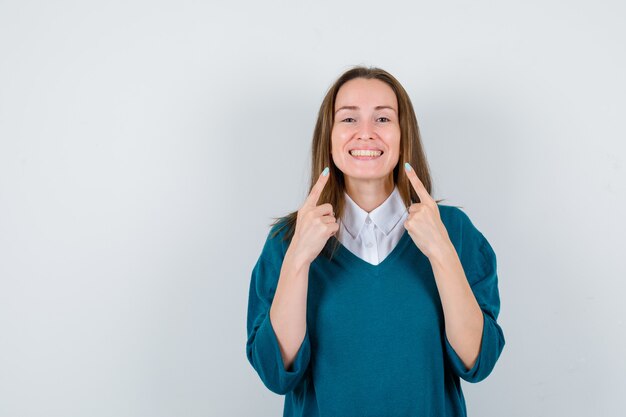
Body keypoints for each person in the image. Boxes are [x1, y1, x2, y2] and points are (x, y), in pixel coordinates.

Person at [245, 66, 505, 417]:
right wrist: (298, 259)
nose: (366, 134)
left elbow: (478, 361)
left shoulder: (454, 231)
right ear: (329, 135)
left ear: (402, 133)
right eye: (349, 120)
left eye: (382, 119)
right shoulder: (286, 241)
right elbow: (277, 374)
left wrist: (441, 252)